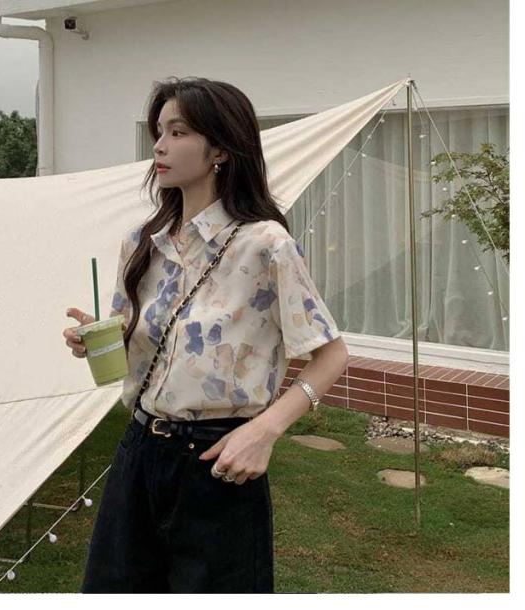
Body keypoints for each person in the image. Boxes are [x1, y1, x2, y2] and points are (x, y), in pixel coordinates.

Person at [62, 76, 349, 593]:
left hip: (218, 460)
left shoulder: (265, 246)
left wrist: (265, 431)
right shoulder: (142, 243)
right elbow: (139, 341)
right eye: (158, 132)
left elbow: (331, 355)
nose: (159, 145)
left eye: (178, 132)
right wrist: (99, 340)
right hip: (138, 450)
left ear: (220, 149)